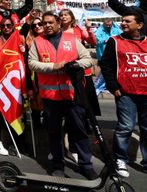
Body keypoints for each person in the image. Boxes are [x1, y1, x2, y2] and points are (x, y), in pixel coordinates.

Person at [99, 12, 147, 184]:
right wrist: (114, 87)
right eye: (122, 20)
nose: (123, 23)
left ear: (139, 25)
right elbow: (106, 65)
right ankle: (120, 160)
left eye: (127, 21)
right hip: (126, 94)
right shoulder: (115, 41)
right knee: (125, 127)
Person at [28, 11, 97, 180]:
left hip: (72, 94)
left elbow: (87, 59)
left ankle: (86, 165)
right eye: (44, 23)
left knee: (79, 131)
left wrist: (75, 65)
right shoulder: (37, 42)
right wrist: (53, 66)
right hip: (50, 97)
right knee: (54, 132)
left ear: (58, 23)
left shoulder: (72, 39)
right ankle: (58, 164)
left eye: (50, 22)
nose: (47, 26)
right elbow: (32, 63)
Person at [0, 17, 24, 156]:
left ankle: (17, 142)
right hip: (0, 82)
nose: (6, 27)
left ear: (13, 26)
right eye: (3, 25)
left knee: (15, 110)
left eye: (9, 25)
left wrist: (23, 51)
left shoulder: (20, 39)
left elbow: (24, 61)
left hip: (14, 82)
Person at [94, 18, 121, 95]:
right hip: (103, 55)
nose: (109, 26)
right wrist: (106, 40)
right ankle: (97, 88)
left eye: (110, 24)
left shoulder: (116, 29)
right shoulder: (99, 30)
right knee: (104, 73)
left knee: (110, 73)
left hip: (114, 55)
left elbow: (121, 35)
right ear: (103, 24)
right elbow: (96, 40)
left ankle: (105, 86)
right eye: (107, 25)